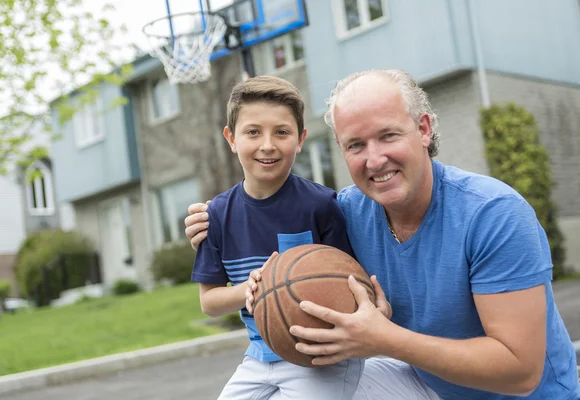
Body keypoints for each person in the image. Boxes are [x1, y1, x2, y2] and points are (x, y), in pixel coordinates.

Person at [185, 69, 580, 400]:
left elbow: (520, 371)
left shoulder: (492, 213)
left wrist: (384, 338)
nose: (374, 159)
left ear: (423, 129)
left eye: (388, 136)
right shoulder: (346, 210)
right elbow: (277, 223)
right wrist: (212, 220)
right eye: (355, 144)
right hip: (426, 385)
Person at [190, 75, 366, 400]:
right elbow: (209, 302)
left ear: (300, 139)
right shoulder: (214, 215)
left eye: (281, 132)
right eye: (253, 132)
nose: (267, 144)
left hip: (320, 357)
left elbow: (349, 286)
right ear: (231, 138)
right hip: (259, 356)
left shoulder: (321, 205)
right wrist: (254, 289)